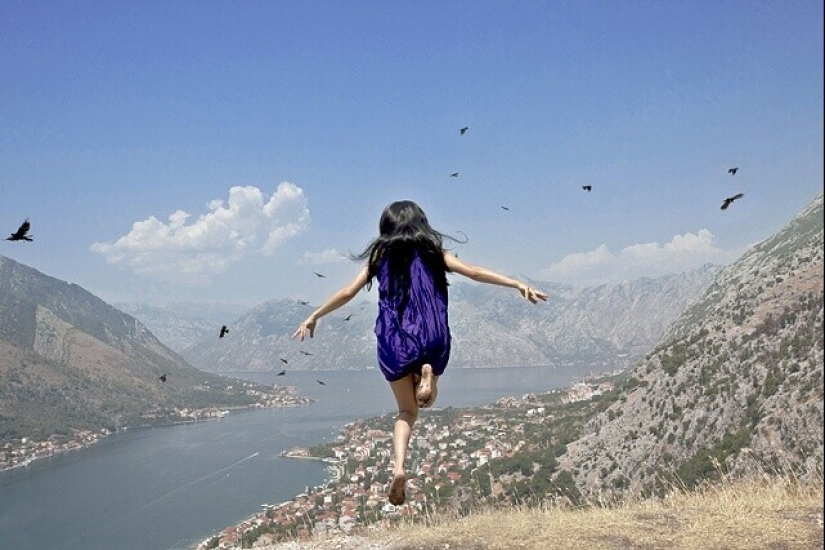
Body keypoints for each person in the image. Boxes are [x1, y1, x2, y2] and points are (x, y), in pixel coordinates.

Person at [292, 200, 547, 505]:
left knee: (407, 411)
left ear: (385, 228)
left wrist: (315, 315)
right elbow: (475, 272)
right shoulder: (432, 251)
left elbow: (348, 292)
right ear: (422, 223)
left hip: (394, 341)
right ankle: (428, 377)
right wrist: (517, 283)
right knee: (427, 399)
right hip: (433, 336)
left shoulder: (380, 255)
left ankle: (399, 468)